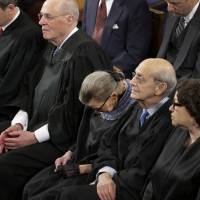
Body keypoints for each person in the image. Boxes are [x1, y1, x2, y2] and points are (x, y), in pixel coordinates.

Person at [0, 0, 111, 199]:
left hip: (63, 141)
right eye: (41, 16)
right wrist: (18, 124)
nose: (41, 22)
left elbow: (75, 113)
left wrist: (34, 137)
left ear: (70, 19)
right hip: (34, 125)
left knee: (6, 165)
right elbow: (28, 88)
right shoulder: (52, 46)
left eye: (48, 17)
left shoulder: (83, 53)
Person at [23, 58, 177, 200]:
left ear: (160, 88)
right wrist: (104, 173)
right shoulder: (138, 107)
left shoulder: (169, 121)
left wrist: (104, 177)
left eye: (140, 78)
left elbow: (140, 172)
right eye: (134, 75)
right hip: (107, 172)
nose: (132, 82)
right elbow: (110, 146)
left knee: (62, 196)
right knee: (32, 187)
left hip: (128, 189)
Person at [22, 70, 135, 199]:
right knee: (32, 187)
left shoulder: (133, 114)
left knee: (48, 197)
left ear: (113, 97)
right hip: (80, 159)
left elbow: (120, 157)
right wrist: (70, 152)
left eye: (97, 108)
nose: (94, 111)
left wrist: (86, 168)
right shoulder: (96, 102)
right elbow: (84, 134)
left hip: (100, 169)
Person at [142, 79, 200, 200]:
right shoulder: (178, 132)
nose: (170, 109)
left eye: (176, 104)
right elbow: (153, 179)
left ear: (193, 109)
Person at [0, 0, 45, 130]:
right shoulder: (5, 24)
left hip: (8, 110)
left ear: (10, 8)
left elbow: (11, 85)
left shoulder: (28, 36)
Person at [82, 0, 152, 78]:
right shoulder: (90, 1)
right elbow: (84, 36)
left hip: (114, 74)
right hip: (87, 68)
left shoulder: (137, 4)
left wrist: (105, 71)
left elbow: (135, 52)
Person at [157, 0, 200, 78]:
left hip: (185, 84)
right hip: (161, 75)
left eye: (174, 3)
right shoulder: (174, 10)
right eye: (167, 2)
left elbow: (197, 77)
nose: (169, 8)